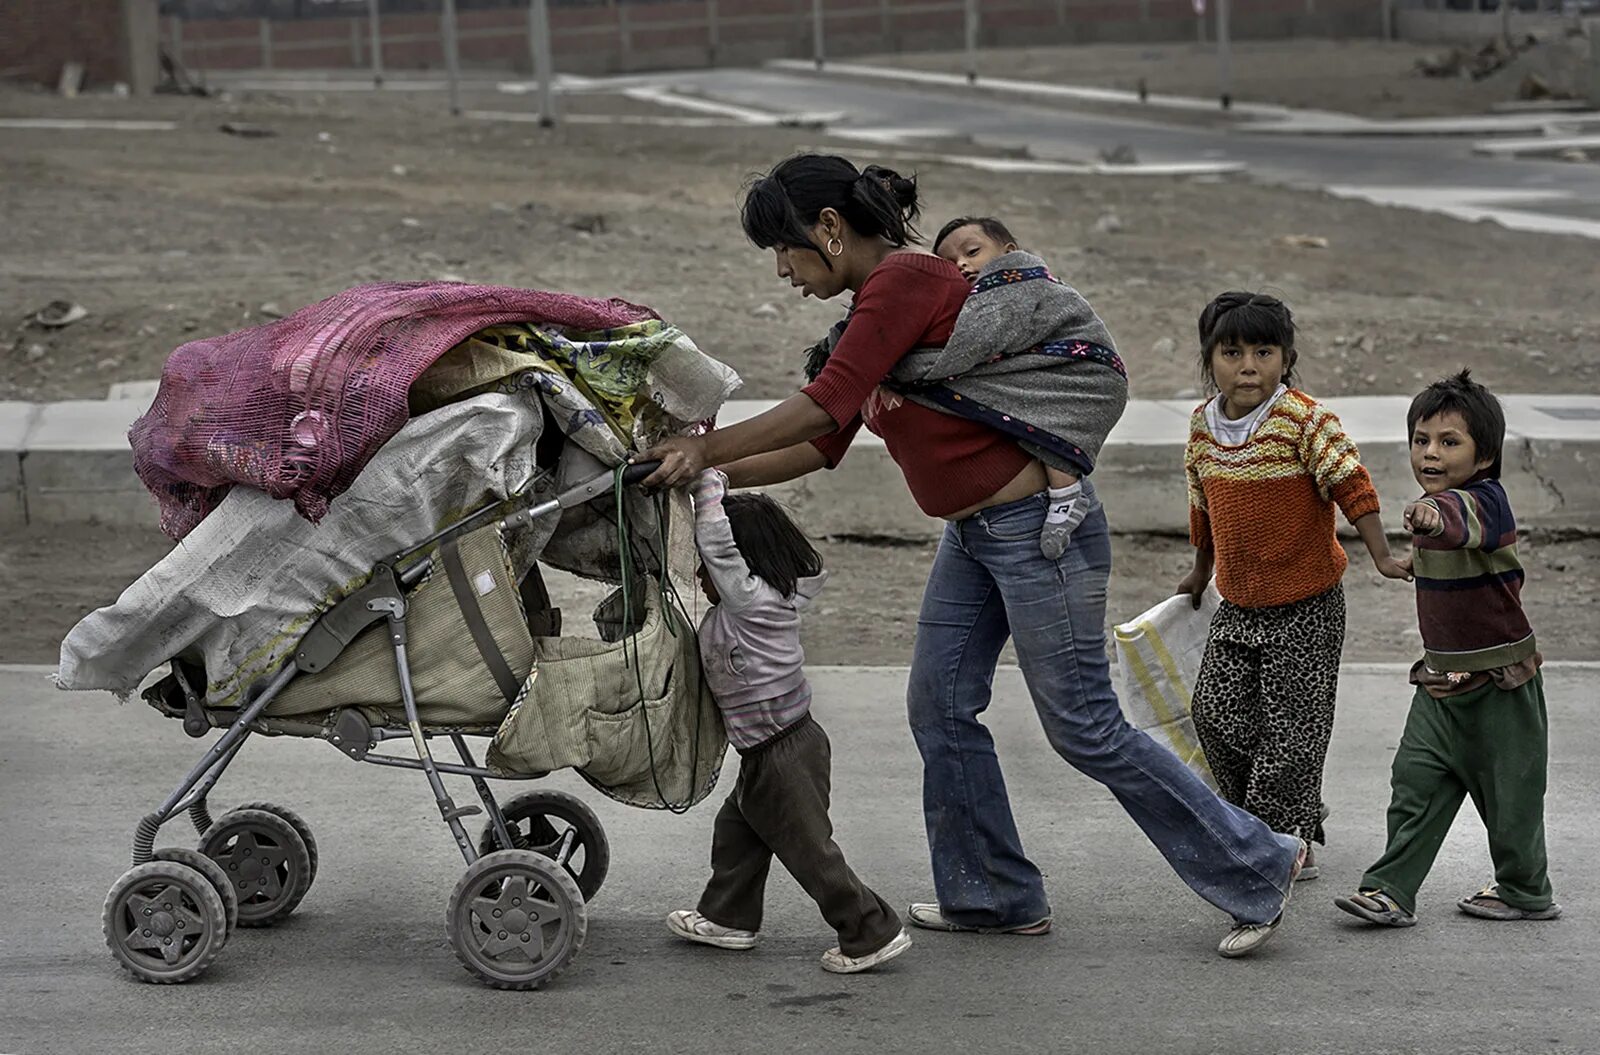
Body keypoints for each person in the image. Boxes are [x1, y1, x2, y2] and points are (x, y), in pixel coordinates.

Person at [640, 153, 1305, 959]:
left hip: (1039, 533)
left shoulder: (903, 282)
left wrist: (699, 450)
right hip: (975, 537)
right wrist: (685, 472)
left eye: (784, 248)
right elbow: (823, 443)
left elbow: (824, 402)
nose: (781, 269)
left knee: (1085, 728)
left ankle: (1257, 863)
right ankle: (992, 894)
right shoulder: (866, 317)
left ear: (829, 228)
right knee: (940, 705)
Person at [1176, 292, 1411, 882]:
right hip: (1238, 601)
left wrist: (1381, 554)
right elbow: (1202, 506)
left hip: (1308, 604)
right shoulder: (1203, 428)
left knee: (1291, 733)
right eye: (1232, 352)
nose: (1248, 366)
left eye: (1264, 351)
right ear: (1211, 359)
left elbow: (1350, 483)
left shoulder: (1305, 420)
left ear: (1286, 358)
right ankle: (1284, 816)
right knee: (1216, 715)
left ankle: (1280, 845)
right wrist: (1200, 573)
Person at [1335, 370, 1558, 928]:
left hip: (1502, 687)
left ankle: (1526, 891)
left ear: (1484, 456)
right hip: (1440, 685)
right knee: (1414, 783)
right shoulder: (1436, 505)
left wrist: (1431, 516)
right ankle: (1389, 890)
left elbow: (1460, 521)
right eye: (1421, 440)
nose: (1430, 453)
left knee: (1512, 802)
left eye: (1449, 442)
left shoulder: (1485, 503)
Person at [667, 468, 912, 974]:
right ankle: (729, 917)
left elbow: (720, 549)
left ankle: (869, 929)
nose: (699, 577)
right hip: (770, 750)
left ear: (743, 567)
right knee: (737, 831)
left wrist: (705, 489)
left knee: (808, 850)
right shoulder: (752, 606)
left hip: (785, 752)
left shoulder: (753, 602)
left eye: (705, 569)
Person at [927, 215, 1104, 558]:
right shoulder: (981, 297)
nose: (962, 264)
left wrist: (919, 370)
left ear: (1010, 252)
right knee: (1025, 410)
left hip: (1082, 374)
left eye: (972, 251)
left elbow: (979, 343)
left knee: (1047, 420)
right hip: (1059, 369)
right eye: (949, 263)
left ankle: (1066, 497)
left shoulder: (1014, 282)